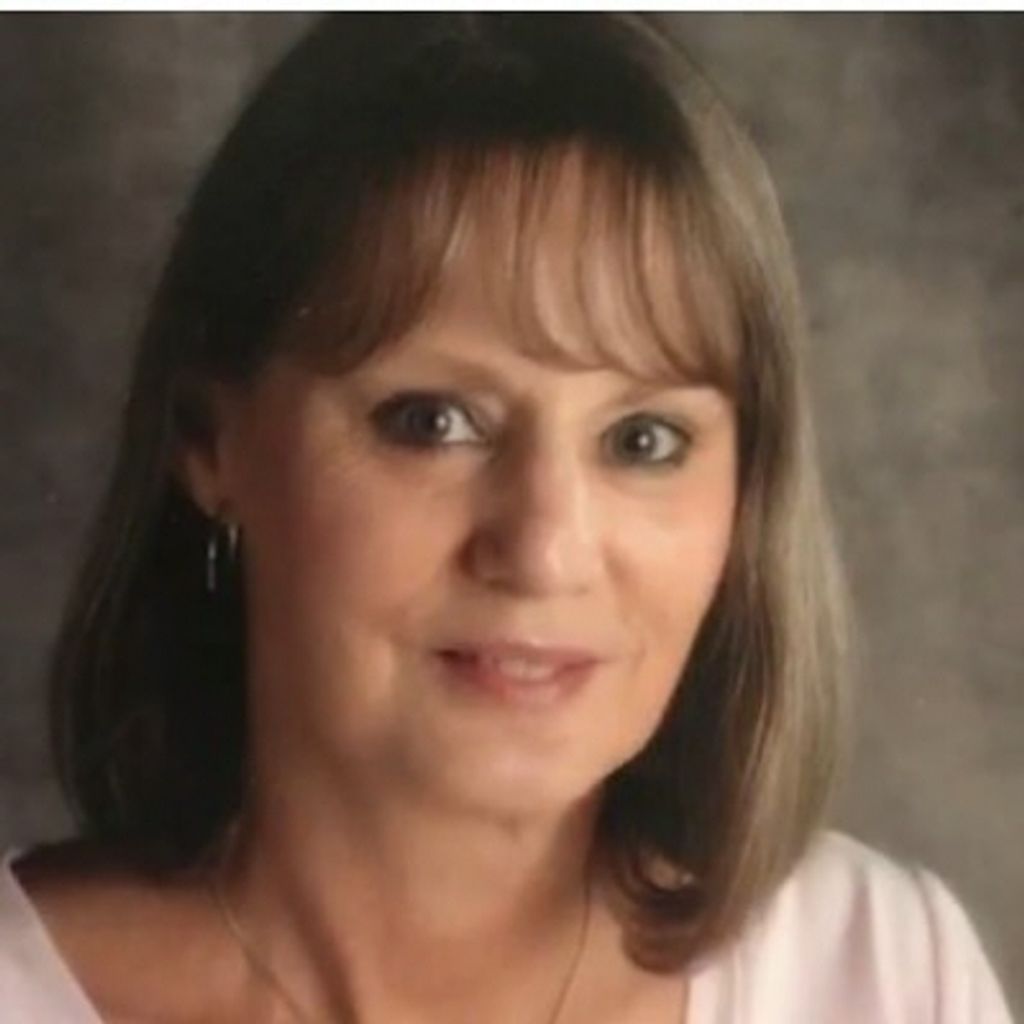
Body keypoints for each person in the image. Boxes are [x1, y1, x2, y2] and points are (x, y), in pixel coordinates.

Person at [0, 13, 1013, 1023]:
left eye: (643, 439)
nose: (544, 551)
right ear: (208, 441)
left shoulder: (886, 972)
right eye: (432, 421)